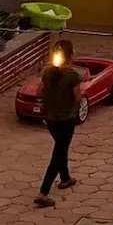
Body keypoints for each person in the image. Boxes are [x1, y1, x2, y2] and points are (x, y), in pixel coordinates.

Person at [34, 38, 82, 207]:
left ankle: (65, 178)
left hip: (50, 118)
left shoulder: (48, 73)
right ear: (70, 55)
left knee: (61, 147)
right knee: (59, 153)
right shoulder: (73, 75)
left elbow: (39, 92)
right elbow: (77, 97)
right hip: (66, 119)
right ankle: (43, 192)